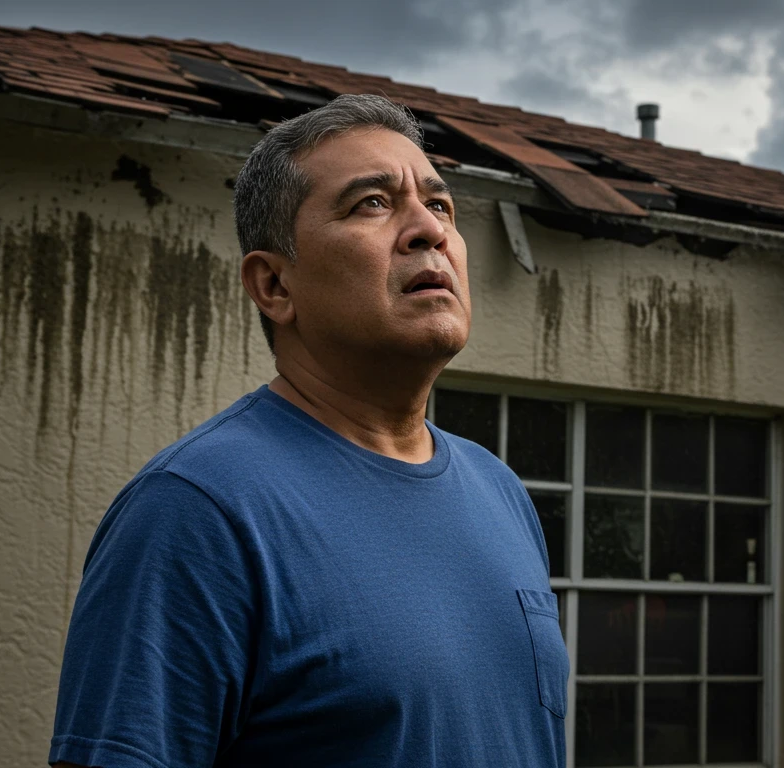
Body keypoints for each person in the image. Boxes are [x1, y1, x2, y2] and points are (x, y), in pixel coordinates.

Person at [48, 94, 567, 768]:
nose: (428, 230)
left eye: (440, 205)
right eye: (372, 204)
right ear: (273, 285)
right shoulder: (196, 510)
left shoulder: (499, 490)